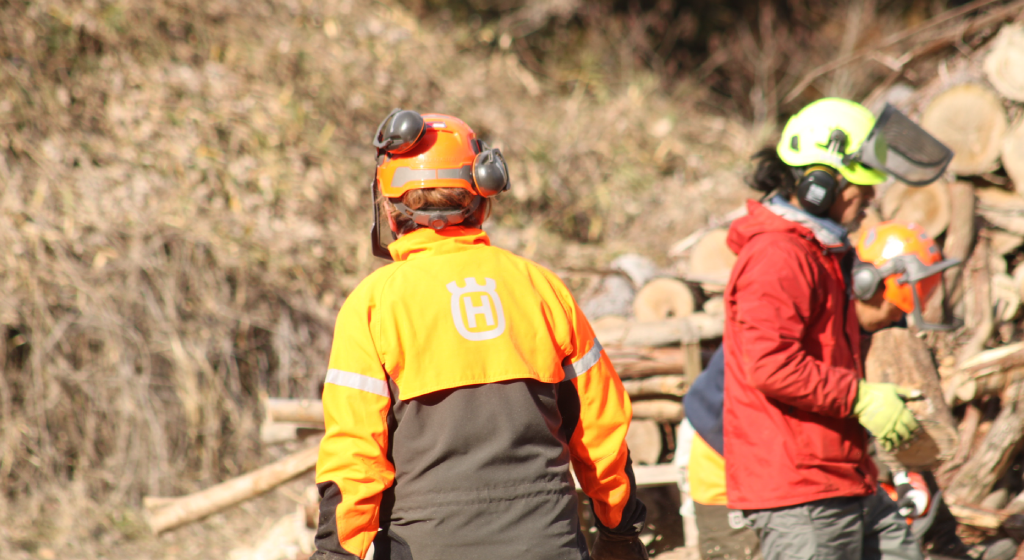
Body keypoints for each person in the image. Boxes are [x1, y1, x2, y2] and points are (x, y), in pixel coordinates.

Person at [310, 109, 648, 560]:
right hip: (549, 545)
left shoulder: (373, 306)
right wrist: (619, 531)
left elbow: (354, 459)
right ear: (483, 199)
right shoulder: (542, 289)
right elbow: (601, 429)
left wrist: (334, 555)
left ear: (389, 208)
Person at [720, 97, 955, 560]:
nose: (868, 201)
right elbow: (771, 366)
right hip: (799, 490)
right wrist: (860, 398)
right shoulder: (777, 256)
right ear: (818, 185)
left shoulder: (818, 251)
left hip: (844, 475)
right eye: (860, 190)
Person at [682, 220, 957, 560]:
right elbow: (779, 374)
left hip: (810, 468)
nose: (895, 322)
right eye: (893, 310)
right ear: (867, 285)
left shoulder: (864, 322)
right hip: (729, 460)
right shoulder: (803, 309)